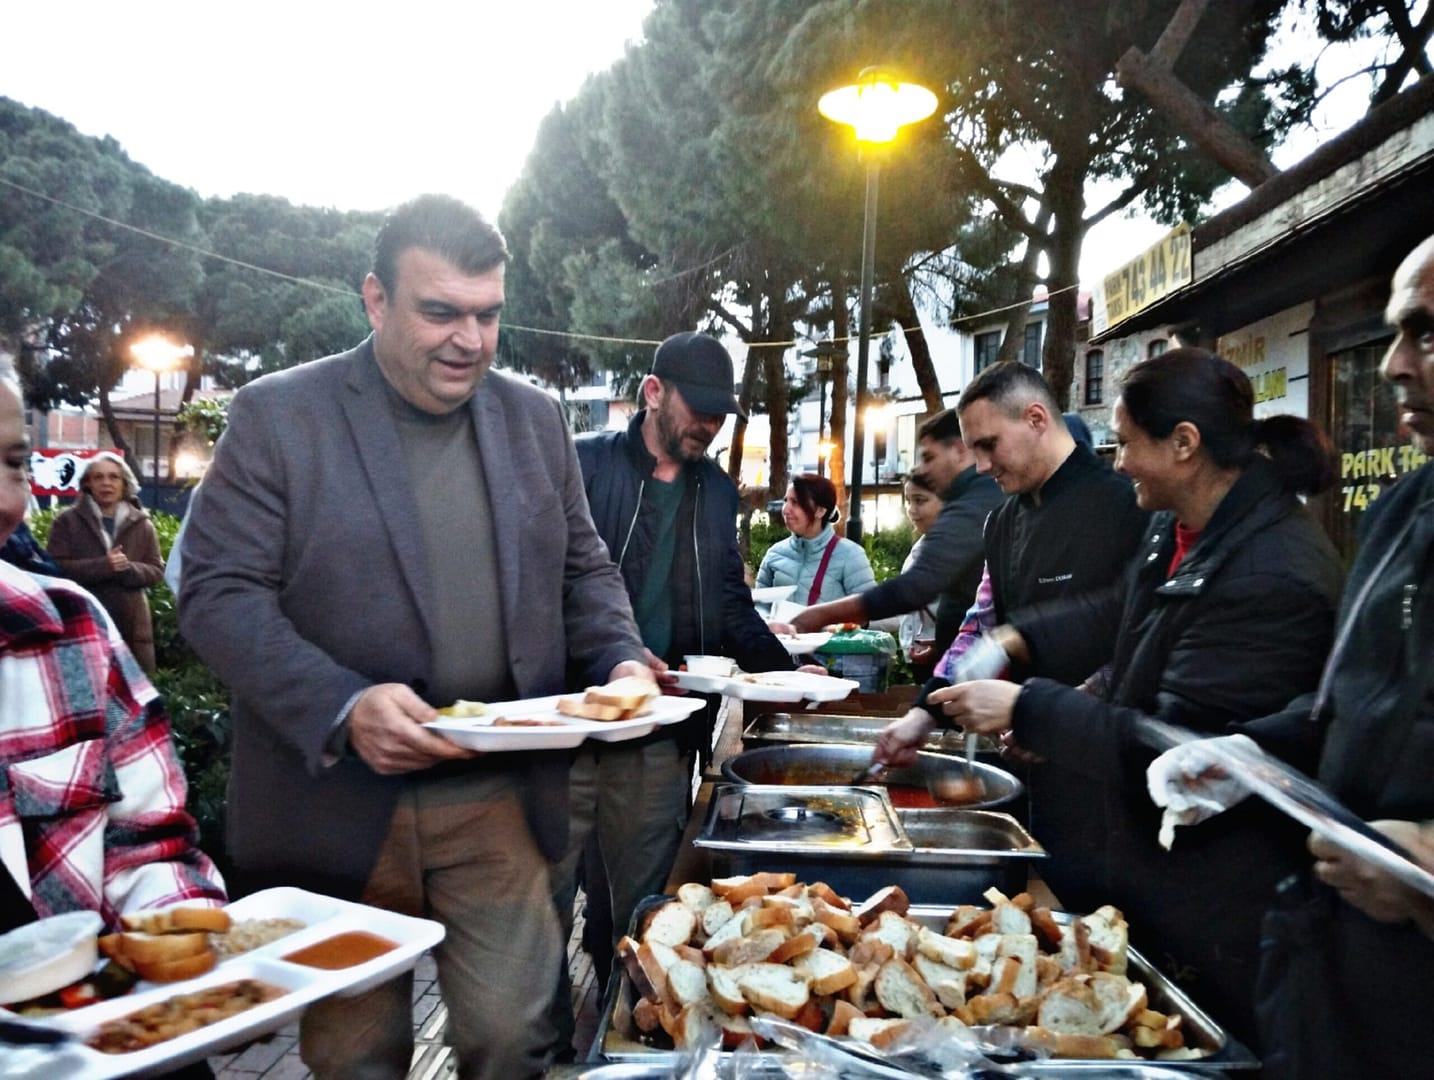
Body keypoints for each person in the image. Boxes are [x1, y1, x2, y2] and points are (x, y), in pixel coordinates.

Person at [178, 194, 649, 1080]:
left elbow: (583, 570)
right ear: (375, 299)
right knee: (359, 1059)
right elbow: (215, 592)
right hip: (343, 807)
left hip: (498, 793)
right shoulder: (279, 416)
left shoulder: (535, 419)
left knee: (516, 1038)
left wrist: (620, 655)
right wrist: (343, 703)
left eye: (487, 314)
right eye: (441, 312)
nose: (469, 340)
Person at [882, 349, 1343, 1050]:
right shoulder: (1174, 526)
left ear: (1184, 444)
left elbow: (1175, 749)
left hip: (1218, 897)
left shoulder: (1270, 573)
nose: (1119, 461)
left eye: (1127, 443)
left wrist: (1029, 707)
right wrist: (1013, 639)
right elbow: (1117, 618)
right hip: (1145, 868)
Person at [1154, 236, 1434, 1079]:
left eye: (1426, 333)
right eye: (1394, 333)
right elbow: (1351, 706)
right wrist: (1249, 755)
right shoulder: (1399, 512)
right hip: (1342, 985)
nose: (1392, 365)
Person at [548, 332, 797, 1055]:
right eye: (699, 409)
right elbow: (547, 583)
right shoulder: (585, 464)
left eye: (721, 415)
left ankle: (625, 1045)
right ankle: (548, 1051)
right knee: (544, 907)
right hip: (564, 724)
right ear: (653, 392)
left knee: (644, 911)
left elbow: (727, 598)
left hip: (662, 732)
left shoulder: (716, 491)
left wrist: (784, 670)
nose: (710, 427)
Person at [0, 367, 223, 934]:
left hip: (127, 620)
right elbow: (61, 561)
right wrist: (103, 567)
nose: (5, 501)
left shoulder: (73, 630)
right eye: (95, 477)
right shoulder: (70, 525)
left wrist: (189, 957)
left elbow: (149, 846)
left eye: (12, 463)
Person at [792, 409, 1003, 657]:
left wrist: (819, 614)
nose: (923, 470)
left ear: (958, 451)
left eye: (928, 457)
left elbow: (914, 588)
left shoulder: (974, 502)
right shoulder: (978, 496)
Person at [46, 452, 165, 672]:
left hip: (132, 628)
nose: (106, 483)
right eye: (98, 477)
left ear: (124, 483)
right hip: (83, 621)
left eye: (113, 477)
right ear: (88, 483)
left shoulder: (142, 523)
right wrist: (103, 566)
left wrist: (128, 568)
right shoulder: (67, 521)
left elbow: (156, 570)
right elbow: (53, 568)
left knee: (134, 699)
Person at [868, 473, 943, 679]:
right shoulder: (922, 546)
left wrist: (943, 642)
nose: (911, 509)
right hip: (921, 659)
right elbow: (906, 609)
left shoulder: (959, 549)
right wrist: (863, 621)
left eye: (920, 500)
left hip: (947, 661)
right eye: (908, 501)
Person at [756, 473, 875, 604]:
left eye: (795, 502)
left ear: (820, 511)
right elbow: (758, 607)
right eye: (786, 500)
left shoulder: (851, 555)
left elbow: (867, 610)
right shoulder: (775, 553)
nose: (786, 509)